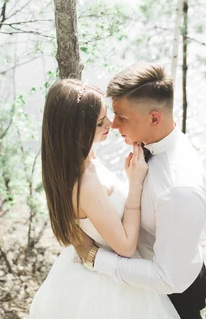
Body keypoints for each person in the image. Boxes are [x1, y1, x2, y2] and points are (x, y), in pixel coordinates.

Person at [29, 78, 179, 318]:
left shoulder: (78, 158)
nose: (111, 123)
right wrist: (135, 184)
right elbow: (126, 246)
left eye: (106, 115)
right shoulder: (86, 182)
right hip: (109, 289)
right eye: (100, 123)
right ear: (78, 130)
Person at [73, 63, 206, 319]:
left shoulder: (179, 190)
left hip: (173, 300)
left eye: (122, 118)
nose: (113, 126)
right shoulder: (157, 141)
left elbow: (169, 279)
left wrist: (93, 257)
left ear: (154, 118)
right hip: (142, 285)